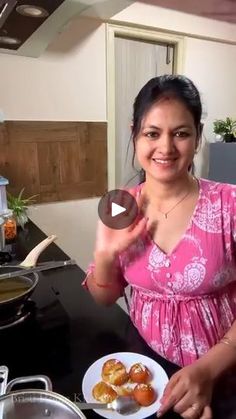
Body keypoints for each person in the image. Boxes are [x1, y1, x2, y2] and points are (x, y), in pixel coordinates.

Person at [83, 75, 236, 419]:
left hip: (224, 371)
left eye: (180, 133)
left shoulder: (230, 205)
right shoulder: (120, 206)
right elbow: (104, 297)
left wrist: (210, 368)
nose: (165, 148)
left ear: (197, 136)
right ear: (134, 133)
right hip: (146, 367)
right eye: (152, 133)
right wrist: (105, 255)